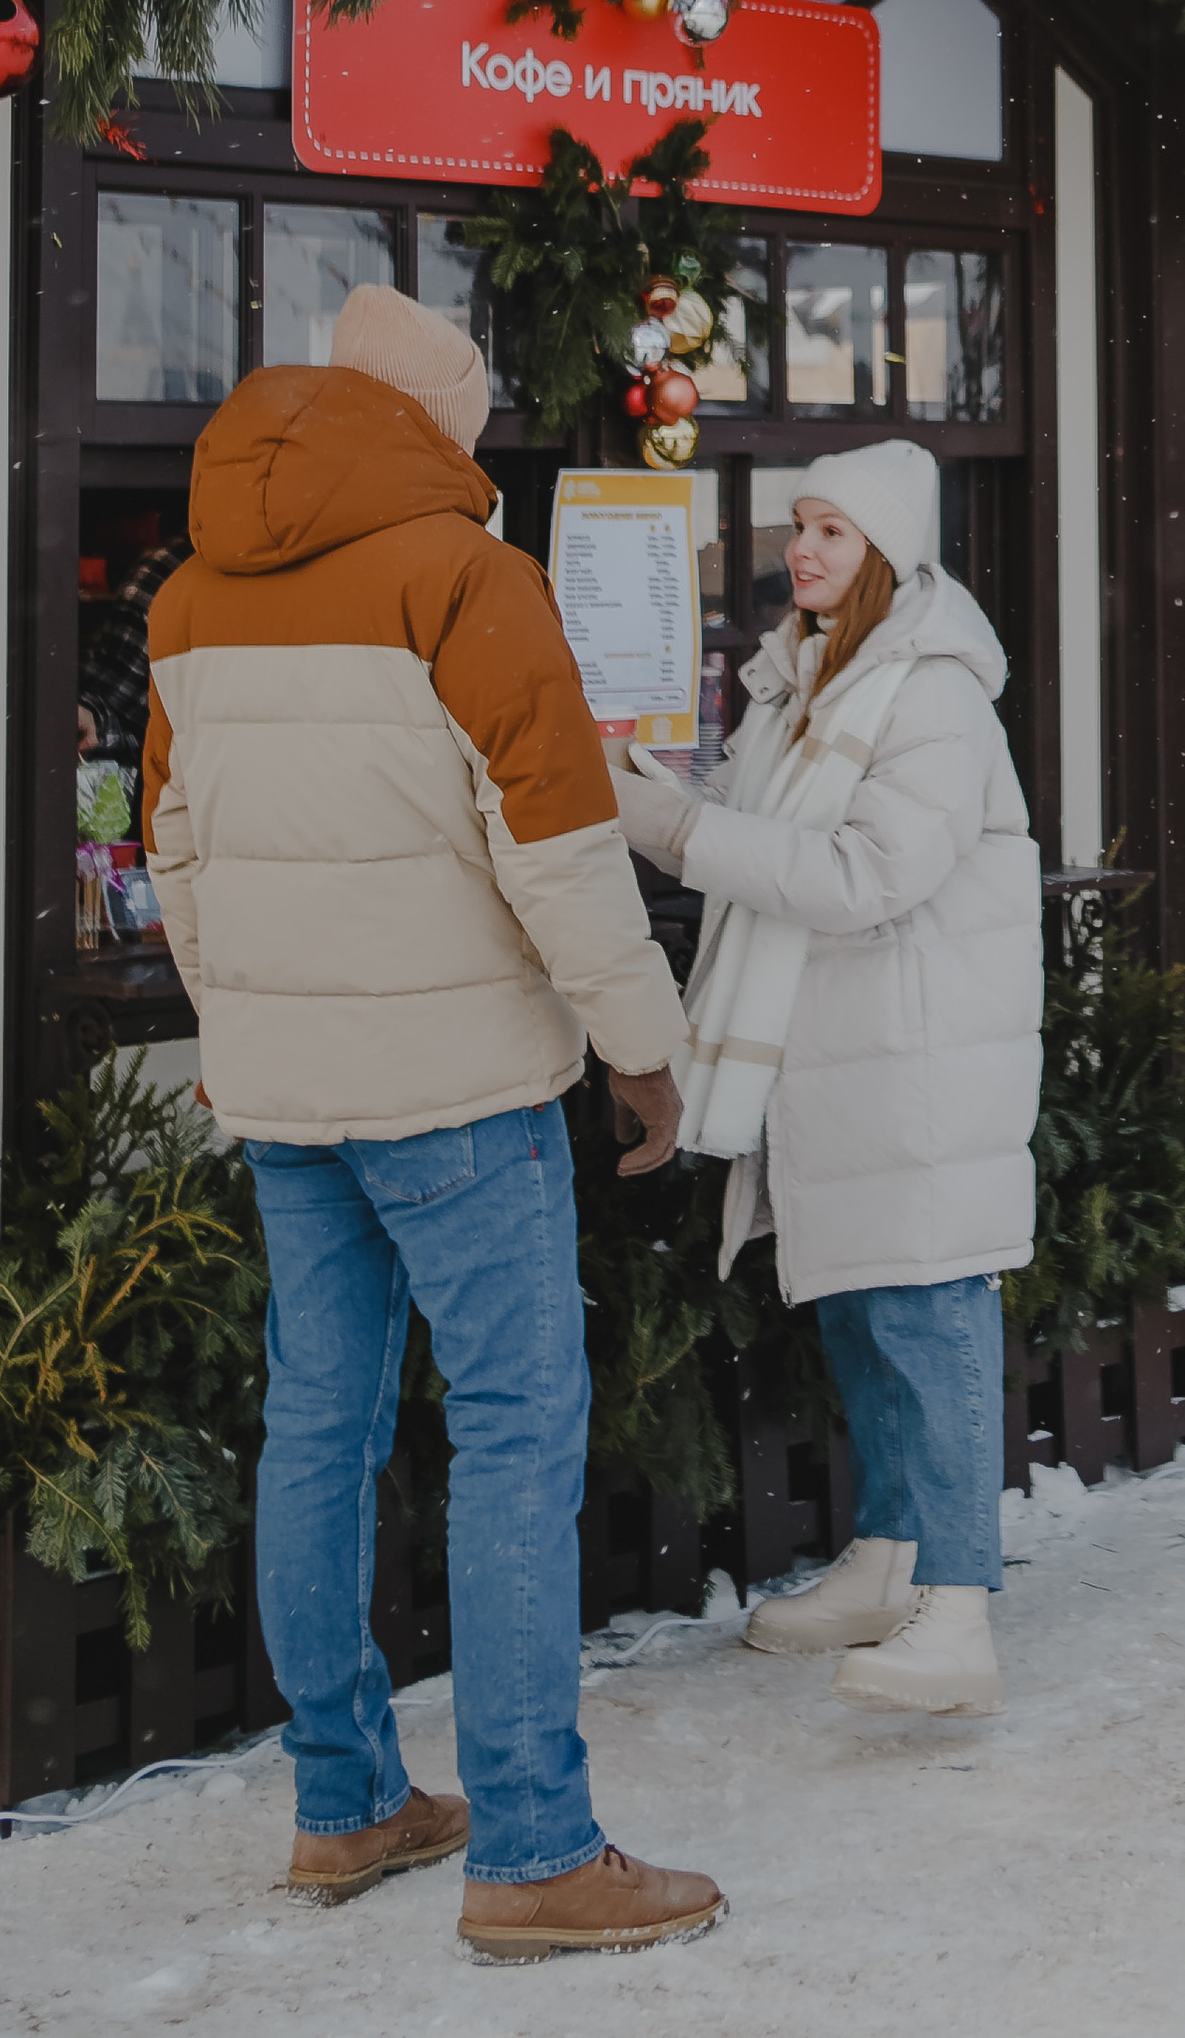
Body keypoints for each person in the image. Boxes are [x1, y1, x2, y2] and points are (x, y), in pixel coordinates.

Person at [143, 283, 723, 1962]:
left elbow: (177, 855)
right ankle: (534, 1846)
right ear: (436, 427)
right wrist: (642, 1048)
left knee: (317, 1422)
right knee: (516, 1430)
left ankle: (347, 1801)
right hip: (461, 1091)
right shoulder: (470, 577)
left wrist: (246, 1016)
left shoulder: (191, 597)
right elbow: (557, 852)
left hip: (285, 1094)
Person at [611, 436, 1042, 1717]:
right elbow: (755, 819)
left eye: (831, 532)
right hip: (839, 1053)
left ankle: (957, 1610)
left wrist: (674, 829)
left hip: (915, 1054)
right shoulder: (802, 683)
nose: (800, 549)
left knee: (930, 1312)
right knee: (860, 1307)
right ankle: (890, 1561)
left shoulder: (933, 696)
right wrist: (649, 783)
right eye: (798, 525)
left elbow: (864, 877)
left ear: (889, 554)